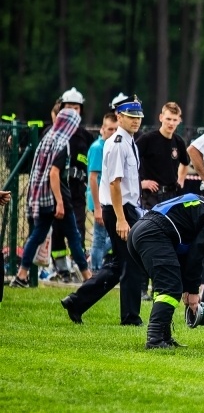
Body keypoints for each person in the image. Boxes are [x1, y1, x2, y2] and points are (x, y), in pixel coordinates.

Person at [128, 176, 204, 349]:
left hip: (141, 230)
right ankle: (155, 339)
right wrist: (193, 291)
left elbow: (187, 254)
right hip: (154, 234)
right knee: (170, 287)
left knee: (167, 286)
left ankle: (164, 337)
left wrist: (187, 286)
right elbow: (197, 254)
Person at [60, 96, 145, 325]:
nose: (136, 121)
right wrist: (121, 219)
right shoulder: (118, 143)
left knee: (119, 264)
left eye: (138, 117)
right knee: (130, 263)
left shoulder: (128, 141)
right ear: (119, 116)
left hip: (126, 208)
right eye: (131, 116)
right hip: (119, 209)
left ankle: (77, 301)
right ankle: (130, 317)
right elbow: (115, 184)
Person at [10, 109, 90, 287]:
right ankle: (88, 277)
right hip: (58, 198)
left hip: (42, 197)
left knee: (37, 235)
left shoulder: (47, 139)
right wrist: (60, 202)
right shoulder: (62, 143)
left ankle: (21, 276)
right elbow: (54, 173)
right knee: (74, 238)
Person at [50, 88, 94, 282]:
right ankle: (61, 269)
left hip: (77, 191)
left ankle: (79, 265)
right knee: (57, 230)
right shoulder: (53, 133)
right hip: (57, 190)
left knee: (78, 228)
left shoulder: (86, 136)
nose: (72, 111)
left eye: (76, 108)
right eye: (68, 107)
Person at [136, 102, 190, 210]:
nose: (171, 123)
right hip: (151, 195)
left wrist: (181, 180)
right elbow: (129, 161)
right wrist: (140, 183)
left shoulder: (179, 141)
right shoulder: (147, 139)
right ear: (161, 117)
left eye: (175, 120)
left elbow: (185, 162)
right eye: (168, 119)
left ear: (179, 121)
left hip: (172, 195)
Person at [87, 113, 118, 273]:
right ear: (102, 129)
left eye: (116, 129)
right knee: (100, 238)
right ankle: (95, 269)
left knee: (110, 236)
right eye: (110, 129)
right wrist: (97, 207)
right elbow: (93, 179)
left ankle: (94, 262)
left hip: (108, 199)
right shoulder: (98, 147)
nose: (113, 133)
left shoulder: (111, 146)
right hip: (99, 200)